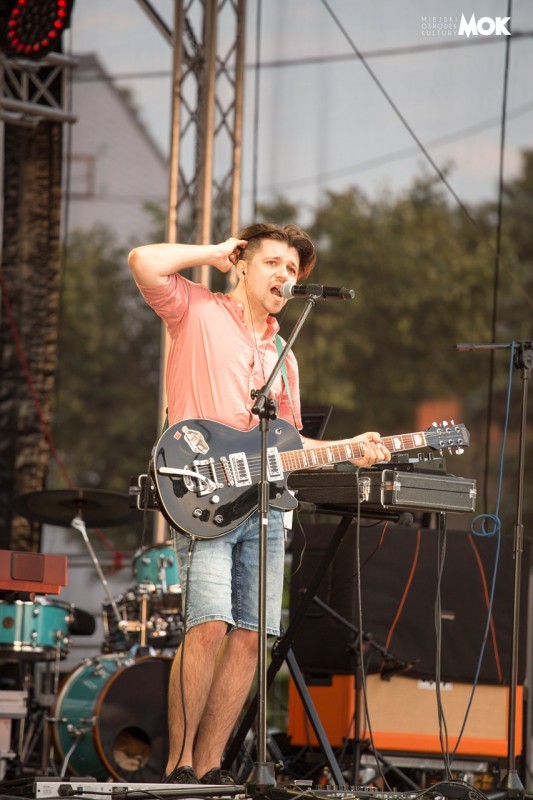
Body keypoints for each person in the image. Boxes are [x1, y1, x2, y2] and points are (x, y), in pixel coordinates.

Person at [128, 223, 391, 785]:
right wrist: (215, 252)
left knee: (252, 635)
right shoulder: (197, 310)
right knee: (208, 624)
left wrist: (352, 449)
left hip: (266, 506)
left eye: (292, 270)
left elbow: (289, 445)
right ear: (243, 264)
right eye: (274, 263)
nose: (285, 276)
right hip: (203, 495)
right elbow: (143, 260)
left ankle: (209, 768)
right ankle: (177, 767)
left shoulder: (282, 355)